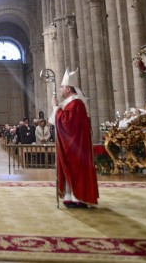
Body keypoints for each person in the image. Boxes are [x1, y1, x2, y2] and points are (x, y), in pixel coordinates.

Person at [49, 68, 99, 208]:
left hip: (75, 145)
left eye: (62, 87)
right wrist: (58, 108)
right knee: (69, 169)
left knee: (75, 168)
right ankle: (70, 196)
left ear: (69, 89)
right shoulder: (71, 102)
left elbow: (67, 123)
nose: (60, 89)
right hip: (72, 143)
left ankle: (79, 198)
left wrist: (55, 107)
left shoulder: (76, 103)